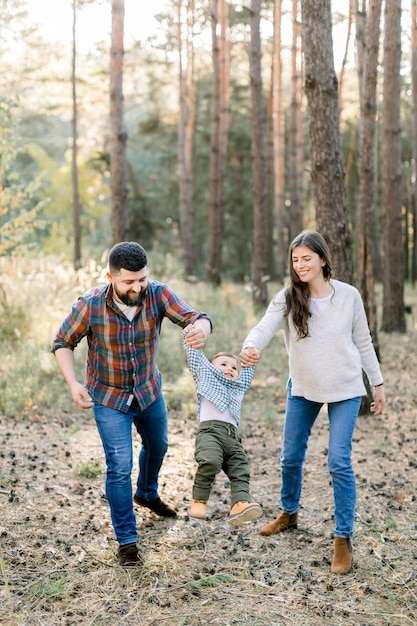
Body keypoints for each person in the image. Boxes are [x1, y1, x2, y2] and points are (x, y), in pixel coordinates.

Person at [51, 242, 212, 567]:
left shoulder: (157, 294)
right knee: (119, 467)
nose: (137, 287)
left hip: (148, 391)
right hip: (109, 398)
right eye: (128, 282)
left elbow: (195, 317)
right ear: (110, 276)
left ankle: (148, 493)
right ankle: (127, 542)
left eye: (142, 279)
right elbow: (62, 341)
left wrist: (202, 328)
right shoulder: (91, 305)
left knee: (159, 446)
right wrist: (73, 384)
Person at [240, 230, 385, 574]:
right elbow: (264, 327)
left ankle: (343, 538)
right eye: (295, 259)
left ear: (322, 259)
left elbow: (363, 341)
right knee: (290, 457)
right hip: (303, 387)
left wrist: (377, 384)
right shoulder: (289, 297)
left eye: (307, 258)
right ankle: (289, 513)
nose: (300, 264)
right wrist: (251, 346)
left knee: (338, 461)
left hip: (346, 389)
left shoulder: (348, 296)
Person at [183, 332, 262, 527]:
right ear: (210, 368)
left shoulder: (238, 386)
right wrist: (190, 331)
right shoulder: (205, 377)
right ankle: (199, 501)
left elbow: (249, 367)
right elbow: (194, 355)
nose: (230, 369)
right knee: (210, 461)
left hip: (233, 438)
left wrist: (251, 354)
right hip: (210, 433)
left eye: (234, 367)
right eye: (223, 364)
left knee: (240, 470)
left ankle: (240, 504)